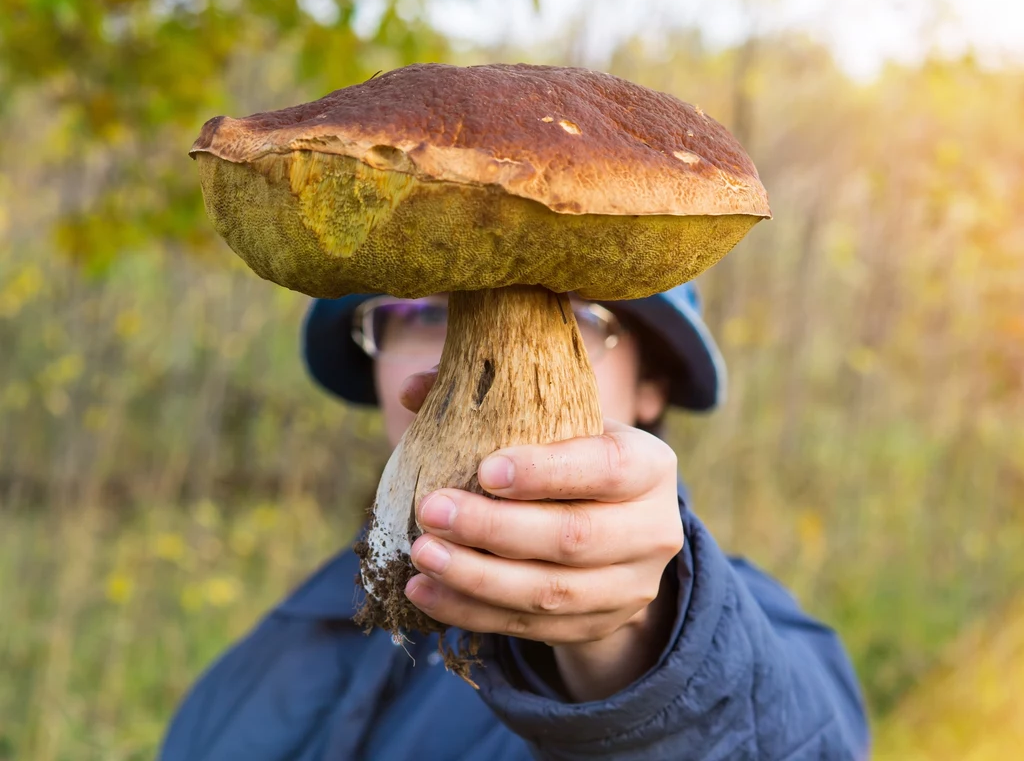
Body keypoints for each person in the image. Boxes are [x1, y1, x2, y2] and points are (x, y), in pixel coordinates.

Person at [160, 283, 870, 760]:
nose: (468, 359)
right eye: (422, 311)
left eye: (564, 313)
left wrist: (636, 642)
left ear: (653, 384)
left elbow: (792, 735)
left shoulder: (756, 626)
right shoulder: (276, 646)